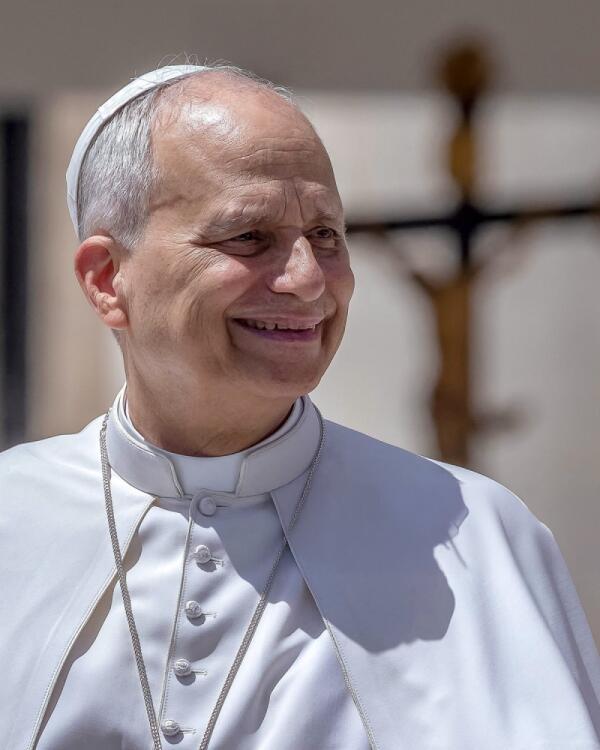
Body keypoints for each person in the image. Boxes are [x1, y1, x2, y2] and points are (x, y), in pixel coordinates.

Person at [1, 63, 599, 750]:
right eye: (248, 237)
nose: (308, 281)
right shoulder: (12, 516)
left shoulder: (478, 536)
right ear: (108, 280)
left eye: (326, 235)